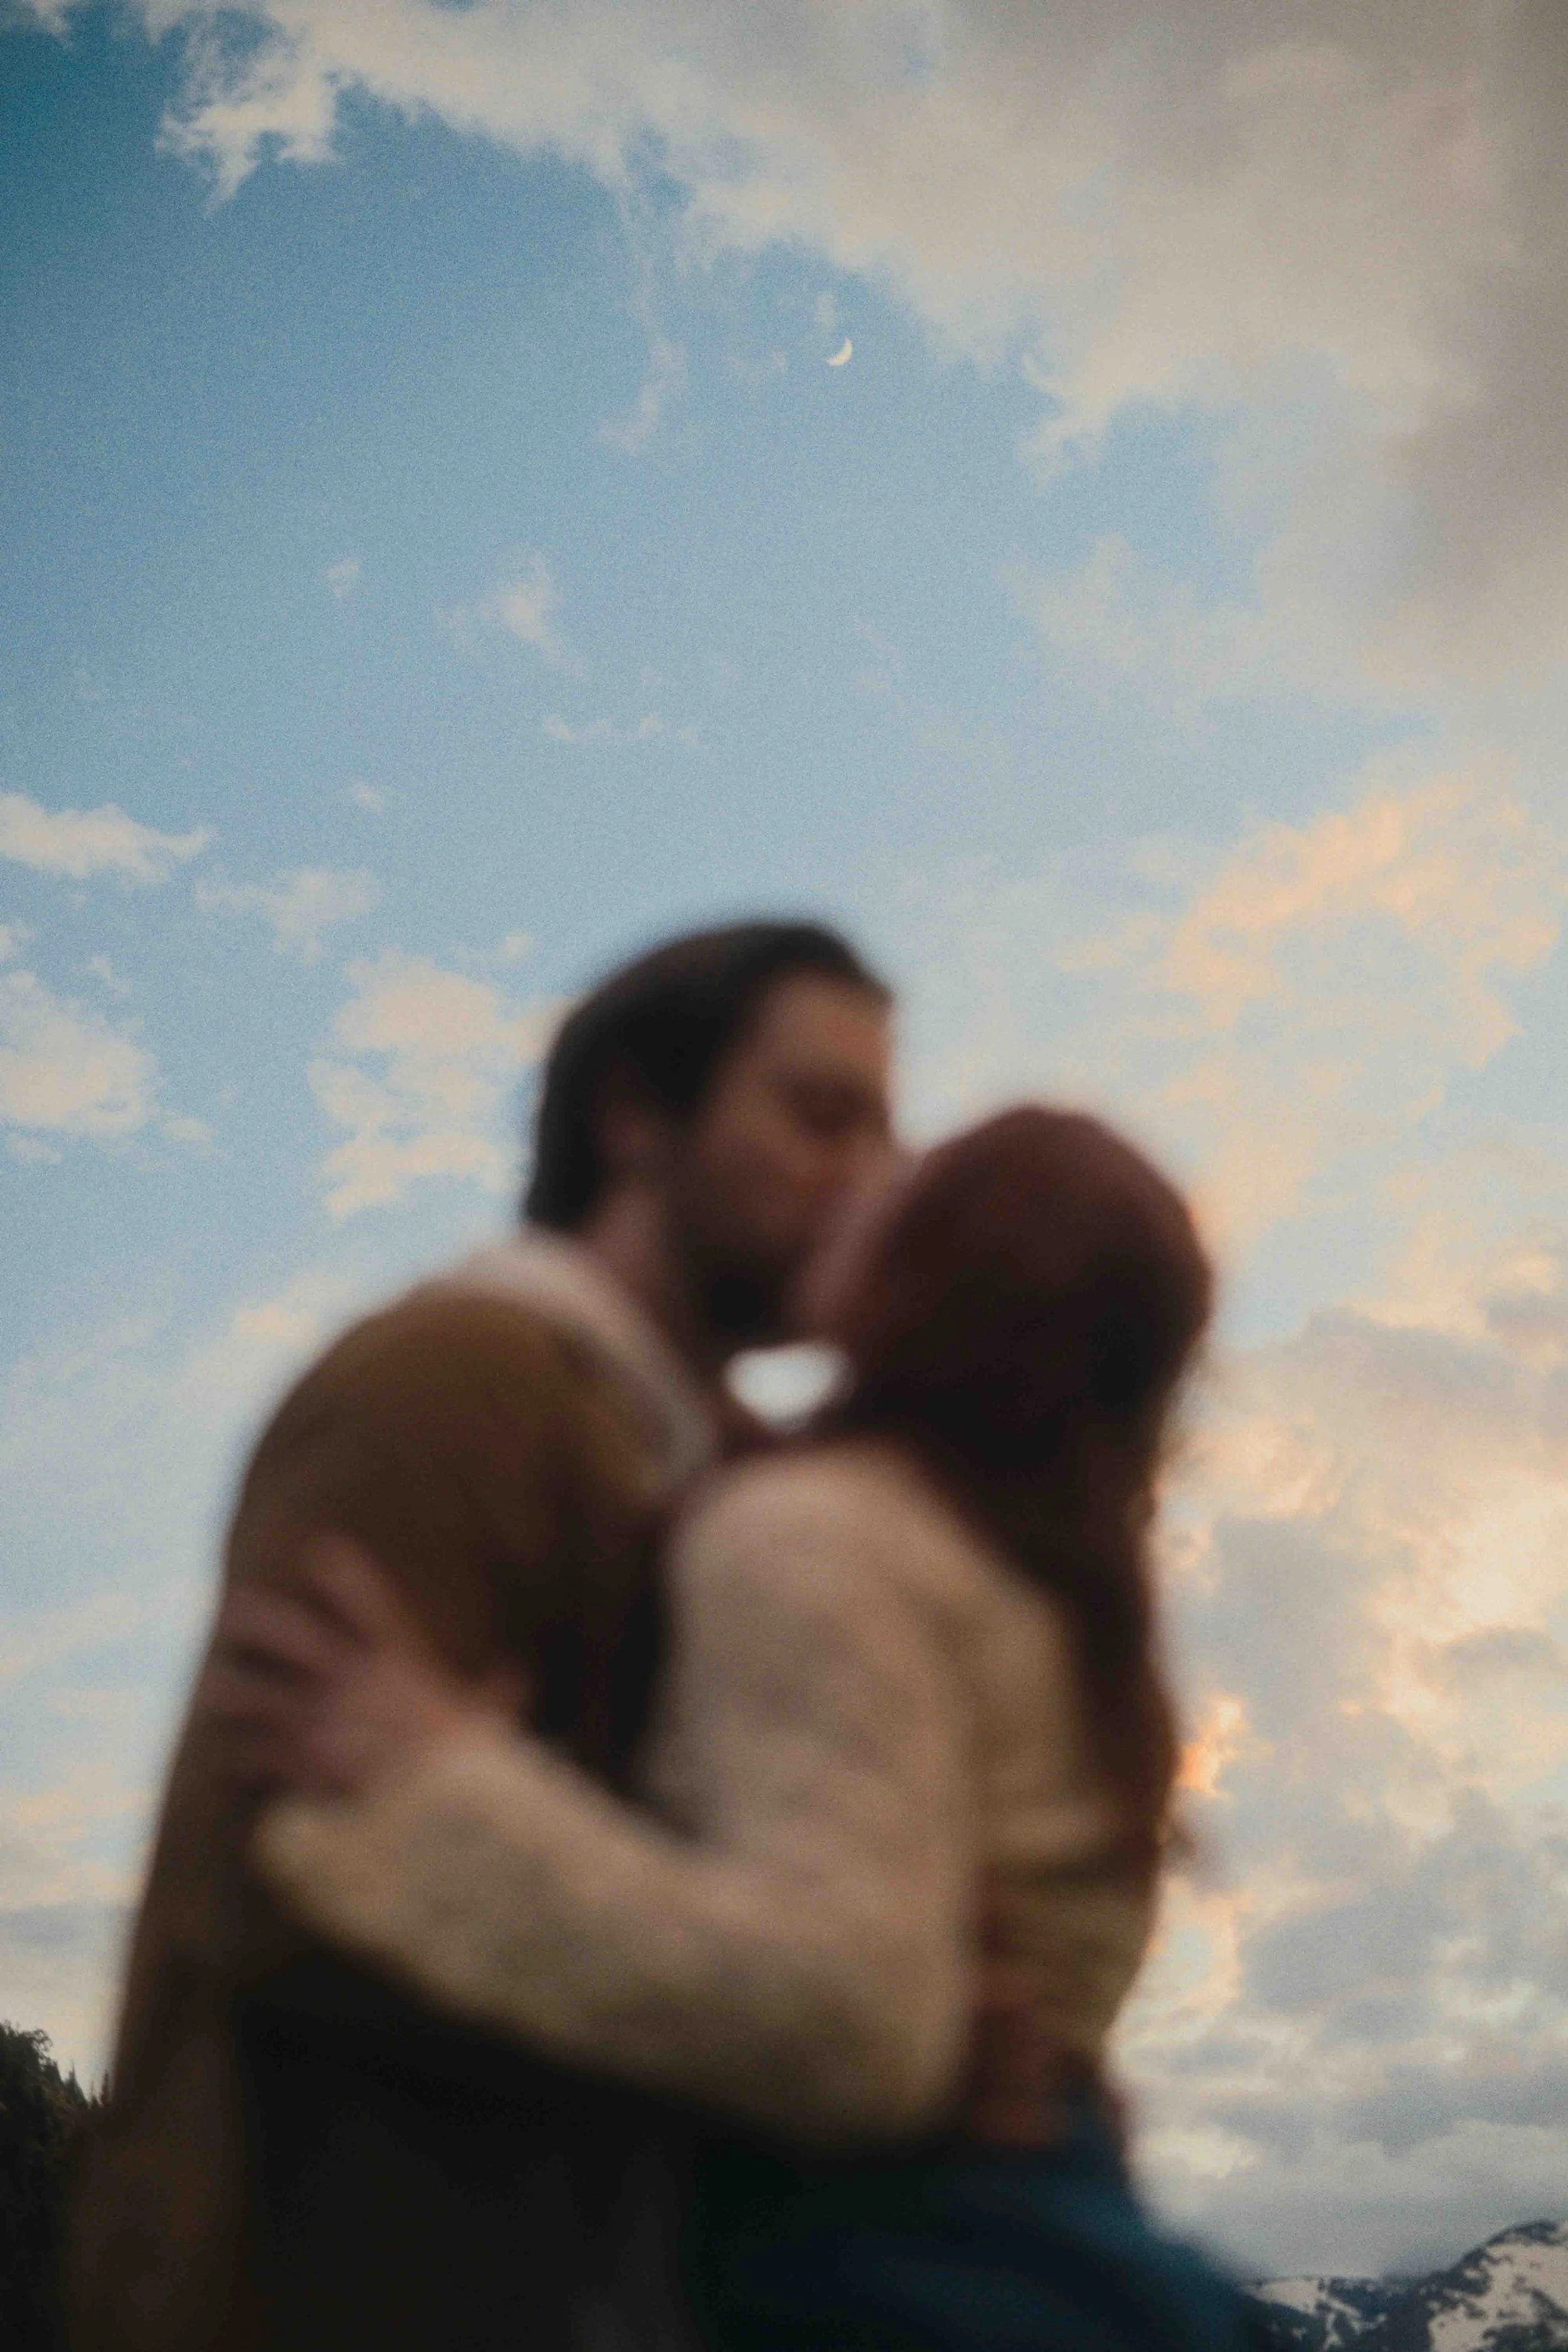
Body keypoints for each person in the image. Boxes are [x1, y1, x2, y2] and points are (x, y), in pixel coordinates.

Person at [218, 1106, 1268, 2350]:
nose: (860, 1180)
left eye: (909, 1179)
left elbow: (841, 2021)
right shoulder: (1076, 1626)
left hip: (877, 2286)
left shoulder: (815, 1535)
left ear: (947, 1265)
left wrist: (431, 1780)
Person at [67, 919, 896, 2352]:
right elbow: (305, 1890)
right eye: (820, 1115)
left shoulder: (715, 1469)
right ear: (634, 1113)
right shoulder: (458, 1383)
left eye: (884, 1132)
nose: (870, 1181)